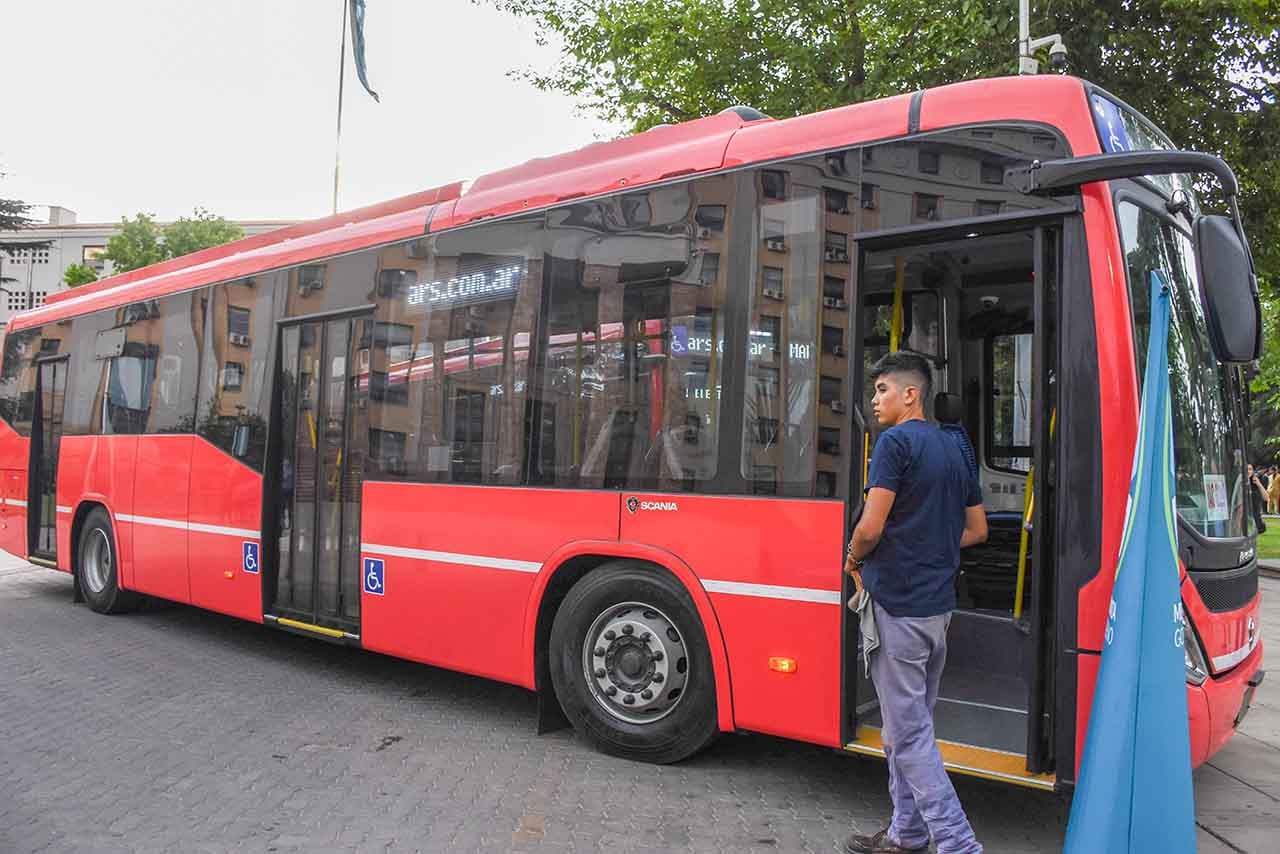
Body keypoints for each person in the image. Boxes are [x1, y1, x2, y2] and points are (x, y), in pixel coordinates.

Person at [843, 351, 988, 854]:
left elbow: (870, 527)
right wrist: (931, 544)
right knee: (908, 727)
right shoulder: (954, 447)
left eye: (882, 389)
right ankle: (907, 833)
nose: (874, 398)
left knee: (906, 737)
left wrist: (852, 555)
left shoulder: (894, 443)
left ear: (912, 394)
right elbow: (977, 529)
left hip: (897, 606)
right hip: (936, 609)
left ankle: (957, 843)